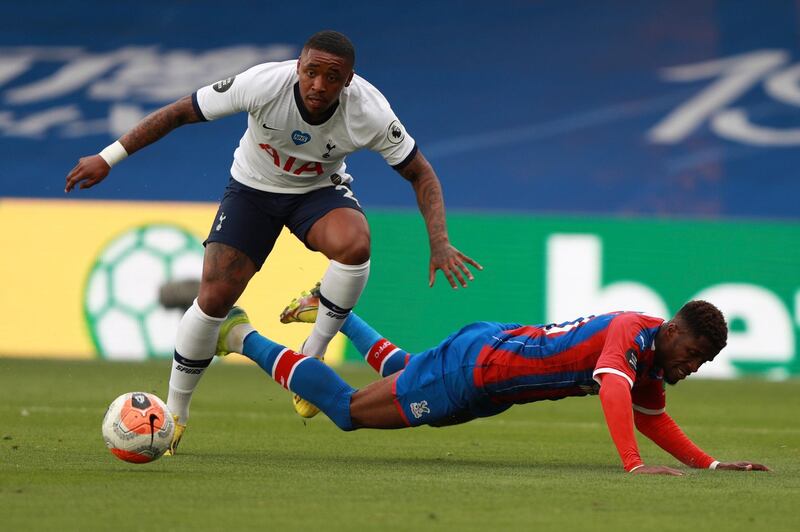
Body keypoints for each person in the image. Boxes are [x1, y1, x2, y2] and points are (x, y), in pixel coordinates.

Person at [65, 30, 482, 453]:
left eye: (331, 76)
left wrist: (440, 242)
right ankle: (175, 415)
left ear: (349, 80)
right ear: (298, 67)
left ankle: (313, 353)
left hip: (317, 192)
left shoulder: (370, 112)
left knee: (355, 246)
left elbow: (420, 172)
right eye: (311, 72)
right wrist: (107, 157)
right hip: (251, 190)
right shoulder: (263, 84)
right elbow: (178, 113)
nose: (318, 84)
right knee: (213, 299)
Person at [215, 288, 769, 475]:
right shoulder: (631, 335)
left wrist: (713, 465)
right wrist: (634, 465)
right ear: (674, 330)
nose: (690, 368)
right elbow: (616, 392)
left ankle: (331, 306)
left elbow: (654, 417)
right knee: (347, 410)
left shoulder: (652, 356)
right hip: (477, 372)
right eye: (692, 355)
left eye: (700, 364)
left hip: (487, 367)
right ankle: (240, 336)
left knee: (406, 373)